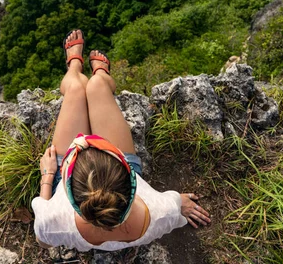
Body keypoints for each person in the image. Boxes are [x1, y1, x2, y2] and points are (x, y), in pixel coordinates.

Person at [31, 29, 211, 251]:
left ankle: (74, 67)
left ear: (69, 188)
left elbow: (42, 241)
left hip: (85, 182)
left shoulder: (55, 224)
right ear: (128, 175)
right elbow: (177, 204)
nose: (84, 139)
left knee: (76, 88)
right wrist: (179, 204)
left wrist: (48, 177)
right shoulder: (163, 212)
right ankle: (102, 77)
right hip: (106, 185)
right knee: (96, 86)